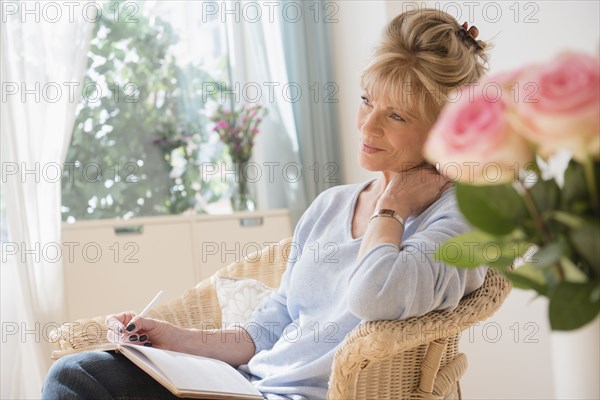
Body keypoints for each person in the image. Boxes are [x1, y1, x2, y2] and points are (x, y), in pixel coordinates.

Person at [42, 8, 490, 400]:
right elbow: (266, 330)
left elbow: (374, 296)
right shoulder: (331, 206)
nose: (367, 125)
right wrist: (172, 339)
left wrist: (390, 209)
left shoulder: (459, 223)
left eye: (395, 115)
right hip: (244, 385)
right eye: (367, 101)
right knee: (76, 374)